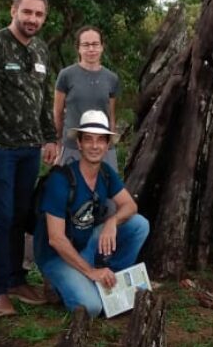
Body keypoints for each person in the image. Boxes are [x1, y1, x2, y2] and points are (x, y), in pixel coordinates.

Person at [0, 0, 59, 316]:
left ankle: (16, 278)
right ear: (13, 10)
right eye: (27, 12)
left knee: (19, 215)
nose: (32, 19)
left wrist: (50, 138)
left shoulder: (42, 50)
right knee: (1, 218)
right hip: (0, 148)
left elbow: (43, 101)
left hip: (30, 149)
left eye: (39, 14)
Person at [35, 110, 149, 317]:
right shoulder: (61, 181)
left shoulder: (105, 173)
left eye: (100, 140)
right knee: (92, 308)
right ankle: (65, 284)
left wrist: (112, 222)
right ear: (79, 144)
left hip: (86, 243)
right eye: (88, 140)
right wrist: (91, 272)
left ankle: (111, 279)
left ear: (107, 146)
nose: (94, 146)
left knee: (139, 225)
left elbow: (130, 205)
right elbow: (56, 239)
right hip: (57, 255)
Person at [54, 26, 120, 166]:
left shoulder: (111, 78)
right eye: (86, 45)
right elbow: (57, 112)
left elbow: (111, 115)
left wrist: (110, 143)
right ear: (78, 48)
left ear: (102, 47)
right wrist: (58, 143)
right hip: (73, 146)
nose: (91, 49)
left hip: (102, 148)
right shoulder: (66, 75)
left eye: (95, 44)